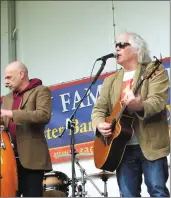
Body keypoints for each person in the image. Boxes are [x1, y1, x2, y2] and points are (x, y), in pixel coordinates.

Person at [91, 32, 170, 197]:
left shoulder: (154, 70)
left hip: (151, 145)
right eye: (115, 45)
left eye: (121, 45)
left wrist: (138, 105)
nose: (116, 48)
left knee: (158, 192)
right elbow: (98, 110)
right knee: (127, 195)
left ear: (136, 49)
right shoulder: (110, 80)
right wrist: (99, 124)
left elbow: (157, 102)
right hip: (121, 148)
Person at [0, 61, 52, 197]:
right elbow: (3, 122)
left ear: (21, 74)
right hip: (8, 159)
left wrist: (12, 113)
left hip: (32, 158)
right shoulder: (7, 98)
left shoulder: (41, 91)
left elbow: (43, 115)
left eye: (9, 77)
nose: (6, 82)